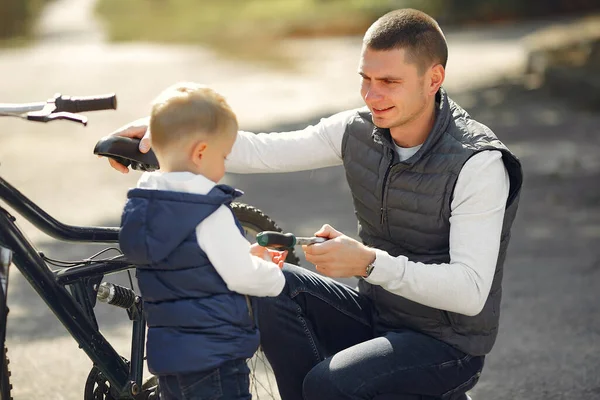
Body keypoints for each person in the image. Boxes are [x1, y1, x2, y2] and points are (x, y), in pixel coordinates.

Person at [108, 8, 523, 400]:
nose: (371, 95)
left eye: (389, 82)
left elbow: (470, 293)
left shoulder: (478, 162)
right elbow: (264, 150)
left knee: (327, 385)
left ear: (433, 79)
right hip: (379, 316)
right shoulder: (356, 129)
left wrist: (368, 263)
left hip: (447, 345)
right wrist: (173, 135)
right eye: (365, 78)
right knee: (272, 286)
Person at [118, 82, 287, 400]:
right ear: (200, 153)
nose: (225, 166)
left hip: (170, 361)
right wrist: (269, 270)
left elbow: (192, 262)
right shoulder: (206, 211)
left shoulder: (147, 208)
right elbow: (242, 275)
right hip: (215, 358)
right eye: (223, 156)